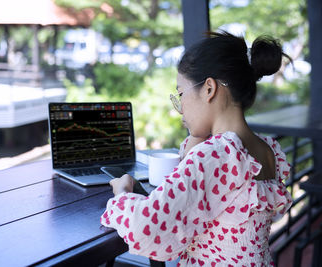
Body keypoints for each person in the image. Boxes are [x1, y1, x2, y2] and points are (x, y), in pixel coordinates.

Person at [100, 31, 293, 266]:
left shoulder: (216, 155)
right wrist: (195, 142)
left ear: (209, 89)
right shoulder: (267, 149)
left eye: (181, 93)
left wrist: (122, 193)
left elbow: (148, 226)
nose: (180, 108)